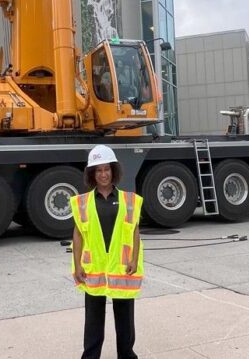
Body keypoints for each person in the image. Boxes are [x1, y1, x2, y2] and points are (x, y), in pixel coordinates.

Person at [70, 145, 143, 359]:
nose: (103, 174)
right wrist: (77, 264)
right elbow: (78, 234)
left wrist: (134, 259)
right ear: (92, 174)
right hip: (94, 270)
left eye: (107, 169)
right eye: (98, 170)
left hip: (122, 268)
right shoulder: (83, 202)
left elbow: (134, 231)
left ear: (113, 171)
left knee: (125, 320)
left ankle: (127, 355)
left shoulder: (128, 200)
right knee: (93, 320)